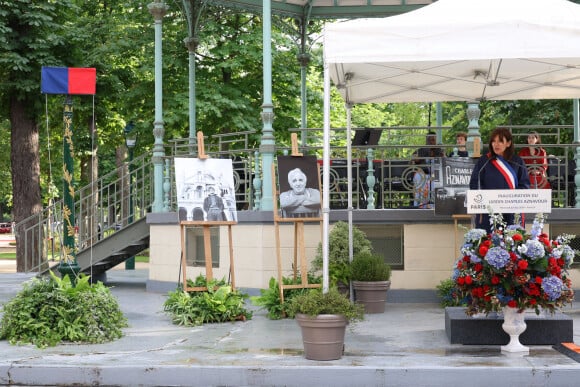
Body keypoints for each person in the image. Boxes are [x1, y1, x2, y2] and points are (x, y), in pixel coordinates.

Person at [469, 127, 530, 232]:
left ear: (508, 143)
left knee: (512, 243)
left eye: (500, 141)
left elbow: (524, 185)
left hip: (511, 209)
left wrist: (508, 198)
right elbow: (474, 184)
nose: (496, 144)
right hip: (489, 210)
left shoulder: (517, 161)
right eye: (493, 141)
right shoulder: (484, 161)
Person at [412, 132, 444, 208]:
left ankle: (434, 205)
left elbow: (445, 161)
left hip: (435, 174)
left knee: (435, 180)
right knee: (420, 178)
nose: (431, 141)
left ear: (435, 140)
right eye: (429, 140)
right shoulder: (421, 150)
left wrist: (443, 155)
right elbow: (412, 160)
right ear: (426, 140)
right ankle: (420, 205)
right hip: (422, 173)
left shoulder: (439, 151)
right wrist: (416, 159)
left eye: (433, 140)